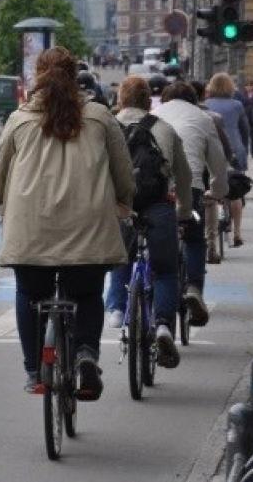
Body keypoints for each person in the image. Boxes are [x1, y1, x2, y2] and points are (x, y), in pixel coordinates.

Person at [0, 46, 135, 397]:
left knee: (29, 293)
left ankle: (33, 371)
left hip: (31, 230)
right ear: (76, 76)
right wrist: (123, 204)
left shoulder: (19, 119)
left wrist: (3, 206)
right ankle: (86, 353)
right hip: (88, 229)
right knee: (86, 293)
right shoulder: (100, 116)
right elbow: (124, 177)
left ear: (36, 77)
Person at [105, 76, 193, 369]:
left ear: (121, 100)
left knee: (120, 257)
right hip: (158, 206)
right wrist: (184, 210)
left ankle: (117, 308)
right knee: (165, 270)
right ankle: (165, 324)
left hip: (121, 207)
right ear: (148, 102)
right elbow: (184, 176)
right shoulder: (164, 129)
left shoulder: (108, 127)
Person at [152, 82, 228, 326]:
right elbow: (218, 163)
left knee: (158, 242)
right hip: (192, 185)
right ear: (194, 99)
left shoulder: (154, 116)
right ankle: (194, 287)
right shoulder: (203, 119)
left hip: (158, 187)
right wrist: (216, 192)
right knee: (195, 238)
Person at [191, 80, 236, 263]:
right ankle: (211, 247)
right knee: (209, 202)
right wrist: (229, 159)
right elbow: (223, 147)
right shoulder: (213, 118)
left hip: (187, 168)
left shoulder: (172, 117)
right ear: (203, 95)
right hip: (206, 167)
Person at [205, 73, 250, 248]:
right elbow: (244, 129)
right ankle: (237, 233)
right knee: (235, 192)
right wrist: (244, 148)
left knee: (212, 190)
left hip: (212, 150)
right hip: (235, 151)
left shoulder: (206, 105)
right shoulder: (237, 105)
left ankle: (212, 230)